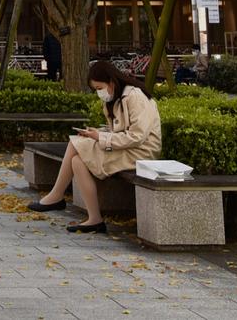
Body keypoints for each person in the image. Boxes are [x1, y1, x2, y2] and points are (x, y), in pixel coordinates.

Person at [29, 59, 163, 233]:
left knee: (75, 145)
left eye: (100, 88)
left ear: (111, 82)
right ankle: (94, 219)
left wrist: (101, 137)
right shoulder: (114, 99)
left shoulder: (134, 96)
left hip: (141, 152)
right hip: (126, 148)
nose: (99, 93)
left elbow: (137, 136)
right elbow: (119, 130)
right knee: (77, 161)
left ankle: (57, 195)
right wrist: (98, 133)